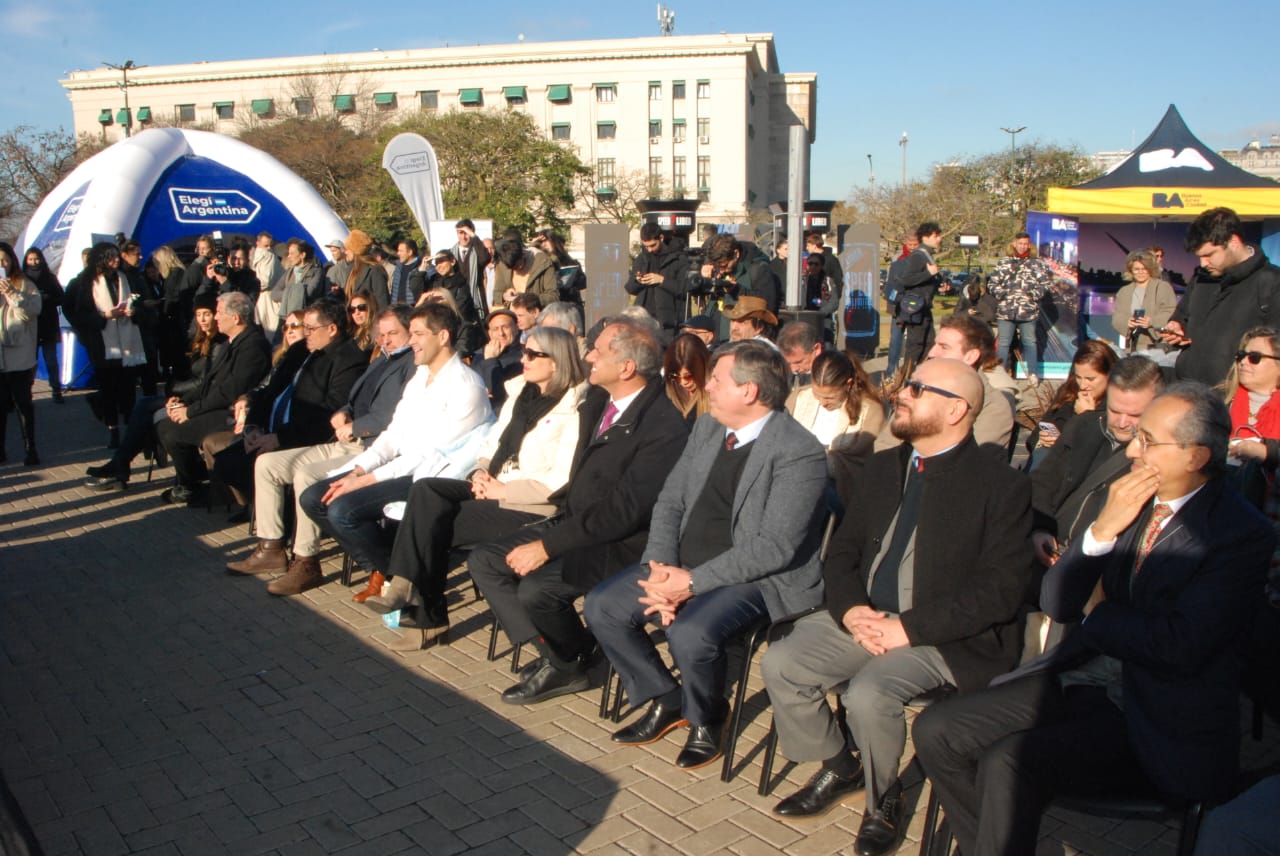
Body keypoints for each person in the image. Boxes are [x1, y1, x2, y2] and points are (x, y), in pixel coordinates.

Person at [913, 383, 1273, 856]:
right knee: (935, 731)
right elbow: (1058, 602)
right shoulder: (1130, 497)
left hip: (1158, 715)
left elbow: (1179, 645)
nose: (1132, 449)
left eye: (1148, 440)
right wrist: (1101, 531)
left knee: (1010, 760)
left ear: (1195, 455)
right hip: (1085, 678)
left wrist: (1099, 611)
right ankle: (991, 843)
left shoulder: (1238, 533)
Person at [761, 358, 1031, 856]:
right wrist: (850, 611)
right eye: (907, 384)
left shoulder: (1001, 485)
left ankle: (883, 798)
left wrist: (908, 629)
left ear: (957, 410)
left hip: (941, 635)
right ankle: (842, 766)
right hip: (865, 617)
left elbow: (1000, 590)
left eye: (918, 389)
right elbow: (843, 551)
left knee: (868, 694)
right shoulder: (886, 466)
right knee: (782, 662)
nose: (901, 393)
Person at [583, 340, 829, 770]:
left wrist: (691, 584)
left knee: (690, 633)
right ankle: (666, 697)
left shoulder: (798, 451)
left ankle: (708, 716)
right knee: (602, 606)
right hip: (681, 565)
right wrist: (660, 567)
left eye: (717, 379)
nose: (706, 386)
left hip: (756, 578)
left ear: (749, 390)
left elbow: (774, 547)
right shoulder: (708, 427)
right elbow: (670, 500)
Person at [468, 319, 691, 702]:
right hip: (577, 522)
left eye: (598, 352)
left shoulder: (663, 426)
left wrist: (547, 546)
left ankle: (568, 664)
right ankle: (563, 655)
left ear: (627, 367)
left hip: (622, 543)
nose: (588, 357)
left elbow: (622, 513)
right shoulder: (600, 400)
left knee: (538, 590)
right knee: (486, 560)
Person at [360, 325, 584, 644]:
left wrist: (503, 490)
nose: (524, 359)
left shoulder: (574, 409)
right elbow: (493, 442)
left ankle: (423, 611)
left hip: (529, 503)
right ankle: (405, 586)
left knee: (432, 525)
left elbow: (561, 479)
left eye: (533, 354)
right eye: (524, 351)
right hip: (494, 482)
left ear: (557, 361)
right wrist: (480, 472)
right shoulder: (521, 393)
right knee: (426, 491)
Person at [297, 304, 494, 600]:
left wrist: (364, 481)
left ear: (443, 336)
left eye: (418, 334)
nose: (411, 341)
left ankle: (404, 577)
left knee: (342, 511)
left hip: (432, 477)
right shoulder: (420, 376)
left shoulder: (466, 386)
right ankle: (396, 570)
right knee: (313, 497)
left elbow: (429, 454)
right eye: (411, 333)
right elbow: (393, 434)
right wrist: (358, 469)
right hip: (403, 466)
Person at [225, 306, 417, 597]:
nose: (385, 340)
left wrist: (355, 426)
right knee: (267, 465)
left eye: (393, 334)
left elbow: (393, 416)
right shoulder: (382, 359)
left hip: (373, 446)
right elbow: (353, 398)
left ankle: (306, 560)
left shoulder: (410, 364)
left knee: (307, 475)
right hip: (345, 440)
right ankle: (271, 547)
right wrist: (344, 411)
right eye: (381, 335)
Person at [208, 300, 367, 505]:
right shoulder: (300, 350)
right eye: (304, 328)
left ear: (332, 329)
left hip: (301, 436)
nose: (306, 333)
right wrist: (252, 427)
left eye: (310, 328)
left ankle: (283, 510)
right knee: (225, 463)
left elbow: (327, 413)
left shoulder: (348, 359)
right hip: (270, 430)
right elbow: (270, 391)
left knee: (248, 464)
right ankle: (264, 505)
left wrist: (280, 438)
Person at [1029, 355, 1166, 574]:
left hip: (1100, 567)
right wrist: (1039, 528)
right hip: (1051, 551)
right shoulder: (1083, 425)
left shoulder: (1160, 453)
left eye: (1135, 415)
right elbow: (1043, 481)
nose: (1122, 422)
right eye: (1115, 411)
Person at [84, 294, 229, 490]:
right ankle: (121, 463)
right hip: (191, 394)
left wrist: (173, 391)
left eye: (207, 314)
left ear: (216, 315)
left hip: (202, 399)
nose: (202, 319)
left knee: (149, 411)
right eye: (198, 315)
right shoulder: (200, 338)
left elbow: (204, 382)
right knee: (145, 405)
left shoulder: (219, 343)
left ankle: (121, 464)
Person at [153, 292, 272, 505]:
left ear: (235, 318)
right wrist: (183, 401)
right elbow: (209, 382)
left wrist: (190, 412)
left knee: (171, 431)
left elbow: (229, 391)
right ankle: (197, 480)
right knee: (164, 424)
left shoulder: (253, 346)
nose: (216, 317)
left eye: (219, 313)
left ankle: (193, 485)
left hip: (233, 414)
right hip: (216, 405)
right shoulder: (233, 342)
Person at [1162, 207, 1280, 385]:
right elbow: (1182, 315)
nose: (1203, 263)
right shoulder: (1201, 278)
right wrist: (1176, 327)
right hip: (1187, 387)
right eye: (1199, 256)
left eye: (1209, 255)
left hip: (1234, 393)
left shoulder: (1272, 283)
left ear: (1233, 242)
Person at [73, 242, 149, 449]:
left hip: (128, 340)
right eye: (111, 257)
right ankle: (113, 430)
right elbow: (79, 314)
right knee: (108, 390)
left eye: (117, 256)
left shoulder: (126, 277)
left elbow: (142, 302)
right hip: (103, 343)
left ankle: (131, 430)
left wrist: (134, 310)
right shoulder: (88, 282)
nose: (116, 260)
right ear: (102, 259)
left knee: (128, 388)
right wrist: (105, 315)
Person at [787, 351, 884, 494]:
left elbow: (858, 462)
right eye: (817, 395)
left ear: (848, 384)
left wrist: (811, 460)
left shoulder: (869, 411)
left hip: (839, 489)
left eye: (830, 398)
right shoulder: (799, 397)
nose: (822, 402)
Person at [1024, 339, 1117, 464]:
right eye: (1078, 377)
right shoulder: (1068, 392)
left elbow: (1102, 451)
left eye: (1090, 379)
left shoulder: (1118, 406)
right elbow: (1037, 433)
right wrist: (1041, 439)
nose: (1083, 385)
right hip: (1047, 464)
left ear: (1109, 376)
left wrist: (1087, 417)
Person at [988, 231, 1053, 379]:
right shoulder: (1004, 262)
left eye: (1025, 244)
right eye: (1020, 243)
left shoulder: (1037, 264)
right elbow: (992, 284)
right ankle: (1000, 374)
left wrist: (1032, 295)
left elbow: (1045, 284)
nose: (1023, 246)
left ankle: (1032, 374)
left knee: (1030, 342)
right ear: (1014, 244)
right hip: (1006, 311)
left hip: (1028, 311)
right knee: (1003, 343)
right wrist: (1003, 294)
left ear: (1029, 245)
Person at [0, 243, 42, 465]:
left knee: (23, 404)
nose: (1, 264)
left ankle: (30, 448)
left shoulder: (25, 284)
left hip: (19, 356)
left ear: (12, 261)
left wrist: (11, 293)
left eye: (4, 259)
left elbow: (30, 314)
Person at [884, 223, 943, 376]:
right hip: (914, 309)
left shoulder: (927, 255)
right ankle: (905, 380)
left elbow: (924, 282)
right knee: (914, 346)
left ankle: (921, 376)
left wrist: (940, 284)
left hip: (924, 308)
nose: (939, 239)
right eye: (936, 236)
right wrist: (928, 274)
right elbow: (906, 279)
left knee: (929, 344)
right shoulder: (918, 256)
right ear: (925, 237)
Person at [624, 223, 689, 333]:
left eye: (653, 245)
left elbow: (685, 289)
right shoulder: (642, 258)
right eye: (646, 246)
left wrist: (662, 280)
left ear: (661, 238)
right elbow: (630, 288)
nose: (649, 250)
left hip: (669, 323)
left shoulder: (678, 258)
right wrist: (637, 280)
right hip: (643, 321)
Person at [21, 247, 65, 404]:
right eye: (31, 259)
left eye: (36, 259)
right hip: (30, 324)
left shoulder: (49, 277)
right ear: (26, 261)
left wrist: (48, 298)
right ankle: (27, 390)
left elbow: (61, 297)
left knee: (51, 360)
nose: (34, 262)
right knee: (29, 361)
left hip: (48, 324)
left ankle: (56, 389)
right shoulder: (22, 278)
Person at [1110, 249, 1176, 353]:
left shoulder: (1162, 287)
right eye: (1136, 269)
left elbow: (1171, 312)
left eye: (1144, 269)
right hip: (1132, 347)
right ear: (1131, 270)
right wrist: (1126, 322)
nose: (1140, 272)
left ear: (1150, 269)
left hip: (1157, 347)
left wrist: (1152, 322)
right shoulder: (1124, 291)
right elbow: (1117, 316)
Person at [424, 250, 480, 354]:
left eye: (442, 262)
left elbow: (460, 310)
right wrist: (422, 269)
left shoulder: (461, 284)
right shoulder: (434, 282)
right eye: (436, 263)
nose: (438, 266)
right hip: (438, 327)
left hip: (457, 332)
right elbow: (416, 290)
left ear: (452, 262)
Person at [470, 309, 523, 407]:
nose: (501, 333)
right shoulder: (479, 355)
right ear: (489, 333)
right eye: (495, 329)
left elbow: (498, 392)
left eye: (505, 327)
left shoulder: (523, 356)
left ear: (516, 328)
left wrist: (490, 360)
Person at [493, 229, 558, 308]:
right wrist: (504, 296)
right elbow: (496, 294)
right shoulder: (502, 265)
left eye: (519, 265)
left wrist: (528, 299)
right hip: (512, 313)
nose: (518, 269)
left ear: (523, 253)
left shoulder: (543, 262)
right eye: (513, 268)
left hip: (536, 312)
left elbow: (553, 296)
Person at [278, 239, 326, 335]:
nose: (289, 256)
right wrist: (292, 293)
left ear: (302, 255)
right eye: (288, 253)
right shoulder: (289, 273)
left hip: (306, 317)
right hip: (288, 317)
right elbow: (274, 293)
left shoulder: (316, 272)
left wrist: (289, 293)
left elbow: (309, 292)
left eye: (292, 253)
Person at [663, 332, 711, 423]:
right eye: (675, 376)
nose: (683, 382)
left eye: (688, 376)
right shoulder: (665, 393)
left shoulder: (716, 395)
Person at [531, 229, 586, 306]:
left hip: (570, 303)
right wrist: (534, 245)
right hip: (549, 305)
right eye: (540, 242)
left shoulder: (570, 260)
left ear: (553, 241)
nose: (544, 244)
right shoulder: (539, 262)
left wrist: (575, 278)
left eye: (546, 240)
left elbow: (583, 283)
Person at [340, 230, 389, 312]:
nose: (345, 252)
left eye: (347, 249)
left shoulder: (374, 270)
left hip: (371, 316)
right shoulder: (350, 269)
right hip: (354, 316)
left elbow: (382, 301)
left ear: (355, 251)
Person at [451, 219, 491, 318]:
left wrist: (473, 236)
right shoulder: (451, 253)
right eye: (461, 233)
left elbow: (486, 258)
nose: (463, 237)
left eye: (466, 233)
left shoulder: (478, 252)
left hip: (476, 300)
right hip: (457, 301)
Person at [251, 232, 284, 340]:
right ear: (258, 243)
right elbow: (265, 281)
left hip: (263, 299)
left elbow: (265, 282)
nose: (269, 248)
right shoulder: (268, 256)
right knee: (269, 333)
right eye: (266, 245)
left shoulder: (259, 255)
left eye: (270, 245)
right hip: (266, 300)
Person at [803, 254, 842, 344]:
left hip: (823, 319)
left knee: (826, 344)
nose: (813, 266)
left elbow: (834, 302)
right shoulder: (803, 281)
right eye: (810, 263)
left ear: (821, 266)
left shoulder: (828, 281)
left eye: (816, 264)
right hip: (806, 318)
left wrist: (820, 313)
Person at [777, 321, 824, 389]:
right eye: (788, 363)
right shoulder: (785, 372)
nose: (793, 369)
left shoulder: (834, 376)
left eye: (799, 362)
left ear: (817, 349)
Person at [390, 238, 424, 306]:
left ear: (410, 252)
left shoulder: (422, 267)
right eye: (398, 250)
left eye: (401, 251)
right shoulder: (398, 267)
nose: (398, 253)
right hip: (398, 307)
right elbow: (394, 290)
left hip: (414, 307)